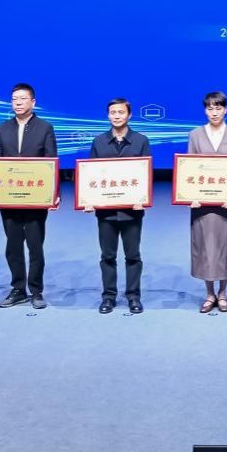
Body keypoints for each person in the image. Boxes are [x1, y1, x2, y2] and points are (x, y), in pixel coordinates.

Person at [0, 83, 59, 310]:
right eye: (14, 99)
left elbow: (51, 162)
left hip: (35, 198)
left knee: (35, 245)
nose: (18, 103)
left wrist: (54, 194)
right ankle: (18, 289)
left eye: (22, 98)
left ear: (33, 102)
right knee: (13, 245)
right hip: (8, 197)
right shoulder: (3, 128)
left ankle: (36, 291)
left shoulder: (45, 128)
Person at [86, 98, 150, 315]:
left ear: (129, 115)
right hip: (106, 211)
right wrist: (88, 199)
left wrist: (143, 197)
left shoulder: (141, 141)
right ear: (108, 115)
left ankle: (133, 296)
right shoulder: (99, 141)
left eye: (121, 112)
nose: (116, 116)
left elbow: (146, 174)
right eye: (112, 112)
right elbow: (90, 175)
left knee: (133, 256)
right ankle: (108, 297)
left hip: (132, 211)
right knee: (107, 256)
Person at [188, 91, 227, 313]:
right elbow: (189, 168)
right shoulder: (195, 134)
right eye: (210, 108)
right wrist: (191, 195)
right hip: (201, 203)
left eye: (218, 108)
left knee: (225, 247)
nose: (214, 112)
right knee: (205, 247)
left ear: (226, 110)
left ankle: (223, 293)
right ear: (205, 110)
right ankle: (209, 293)